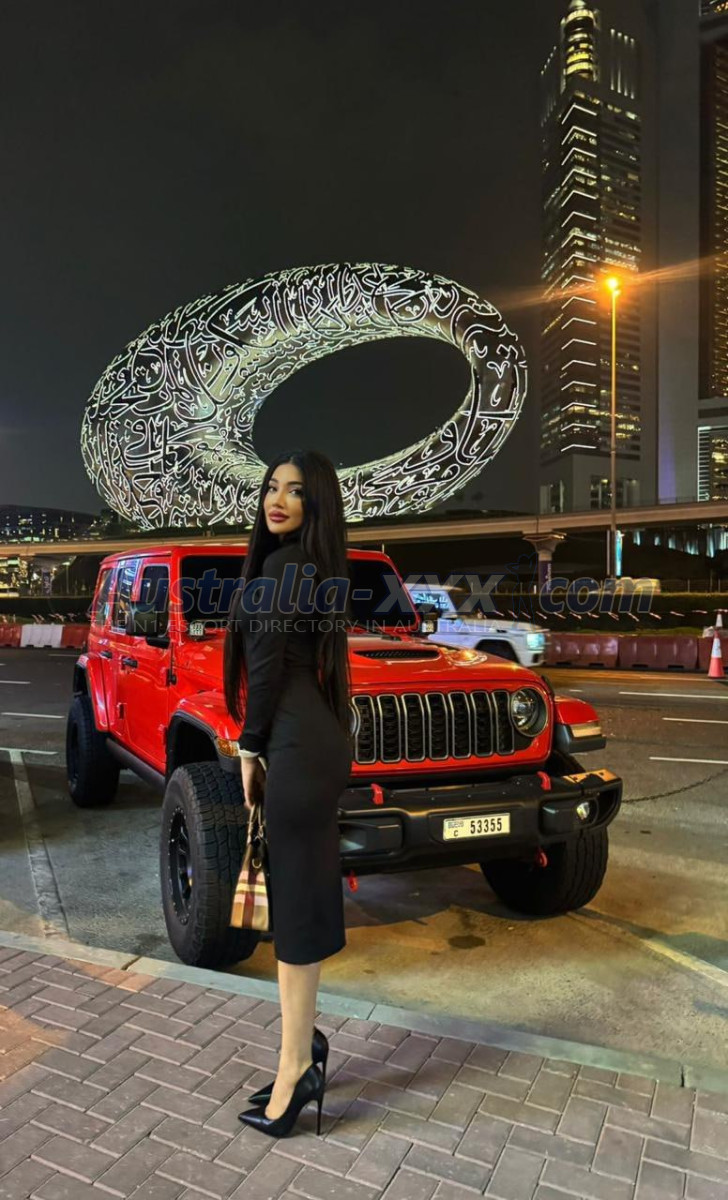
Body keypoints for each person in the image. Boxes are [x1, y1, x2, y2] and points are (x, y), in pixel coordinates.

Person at [223, 449, 353, 1138]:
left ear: (315, 503)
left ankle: (296, 1066)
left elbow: (268, 669)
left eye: (295, 491)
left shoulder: (282, 568)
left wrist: (249, 749)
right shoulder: (312, 567)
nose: (277, 499)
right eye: (272, 487)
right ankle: (304, 1046)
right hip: (315, 740)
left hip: (295, 749)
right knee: (303, 899)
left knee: (296, 915)